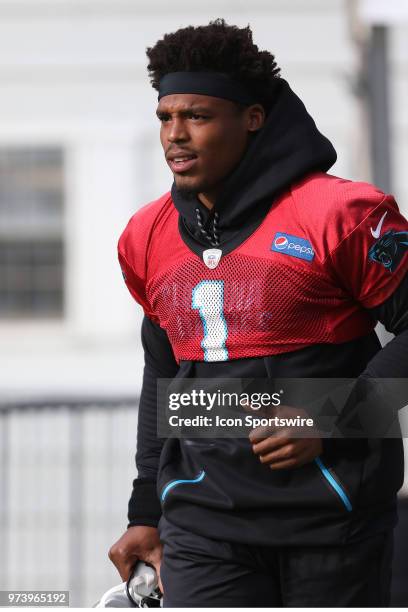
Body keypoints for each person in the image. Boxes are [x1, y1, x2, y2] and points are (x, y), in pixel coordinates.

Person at [109, 19, 408, 607]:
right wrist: (145, 508)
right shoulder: (147, 235)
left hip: (332, 516)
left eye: (197, 116)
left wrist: (329, 416)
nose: (176, 135)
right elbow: (163, 377)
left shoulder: (340, 214)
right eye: (166, 117)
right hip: (203, 525)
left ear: (252, 118)